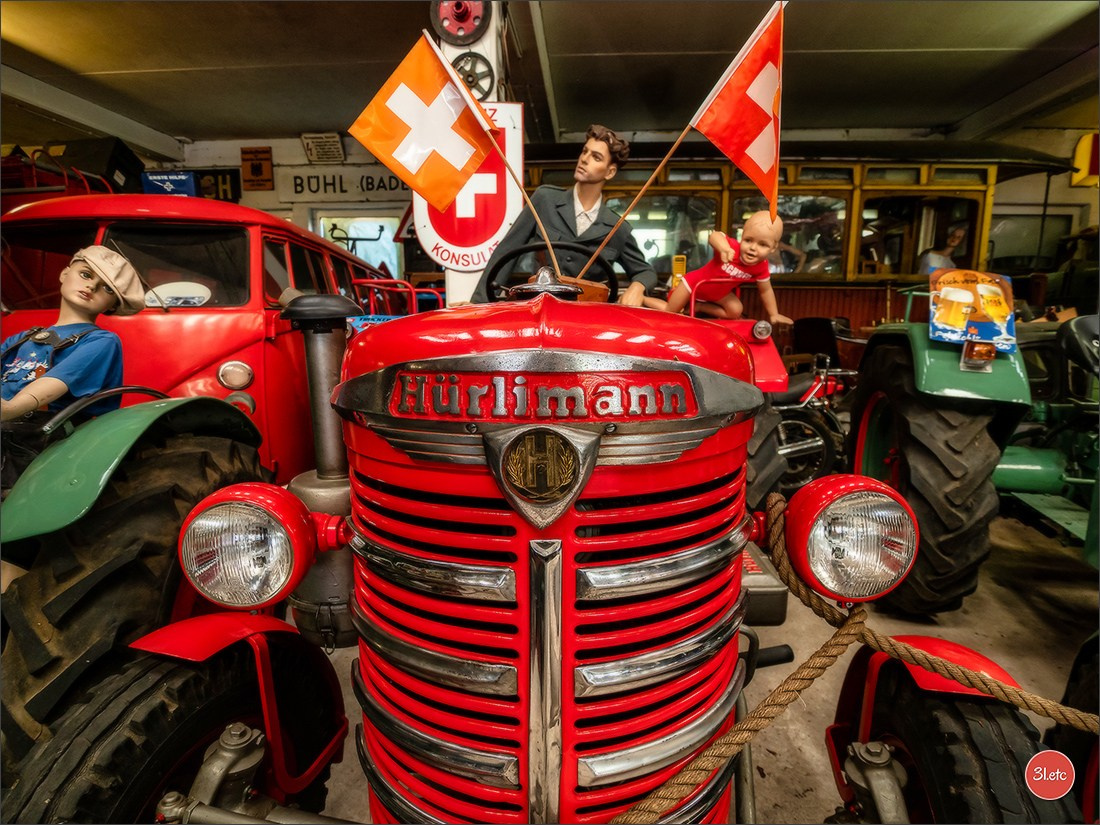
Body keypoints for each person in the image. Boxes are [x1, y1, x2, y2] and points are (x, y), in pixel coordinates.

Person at [471, 124, 657, 306]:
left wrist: (637, 287)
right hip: (540, 310)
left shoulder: (617, 227)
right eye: (584, 152)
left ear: (610, 172)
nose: (584, 159)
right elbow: (507, 251)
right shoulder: (545, 200)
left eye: (596, 157)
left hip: (586, 319)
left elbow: (645, 271)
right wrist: (479, 304)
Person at [1, 245, 145, 423]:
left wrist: (12, 409)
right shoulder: (22, 339)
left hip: (43, 433)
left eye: (107, 288)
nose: (91, 286)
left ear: (113, 304)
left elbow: (57, 381)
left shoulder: (102, 341)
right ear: (64, 274)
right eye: (86, 274)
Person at [659, 211, 793, 325]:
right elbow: (715, 235)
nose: (753, 248)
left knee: (736, 311)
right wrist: (724, 249)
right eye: (748, 240)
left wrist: (774, 314)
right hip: (693, 284)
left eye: (762, 244)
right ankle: (646, 299)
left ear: (773, 247)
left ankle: (700, 306)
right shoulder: (731, 248)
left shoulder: (761, 267)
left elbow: (766, 290)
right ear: (742, 236)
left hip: (719, 293)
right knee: (670, 312)